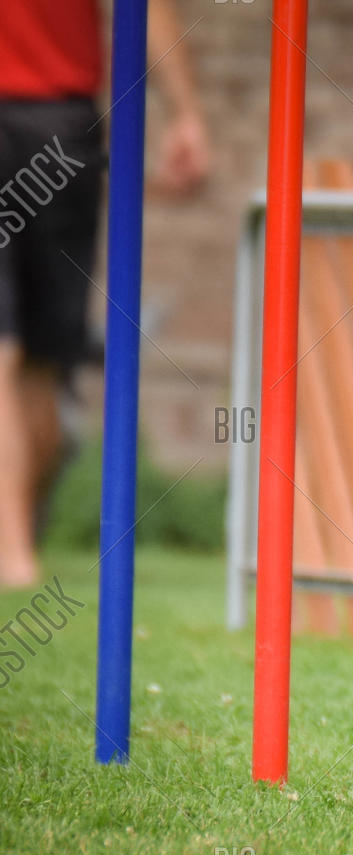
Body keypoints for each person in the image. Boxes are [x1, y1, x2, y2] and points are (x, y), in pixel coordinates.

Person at [0, 0, 210, 588]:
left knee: (34, 358)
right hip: (59, 122)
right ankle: (14, 553)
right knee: (32, 360)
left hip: (57, 124)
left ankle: (17, 544)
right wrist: (186, 111)